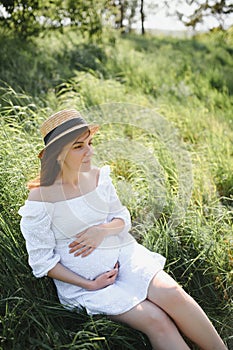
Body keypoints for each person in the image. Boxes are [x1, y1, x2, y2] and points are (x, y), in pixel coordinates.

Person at [18, 109, 227, 350]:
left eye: (90, 143)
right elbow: (42, 262)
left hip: (123, 255)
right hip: (87, 285)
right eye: (79, 147)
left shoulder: (98, 177)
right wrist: (89, 284)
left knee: (172, 294)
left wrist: (103, 230)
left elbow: (122, 218)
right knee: (157, 320)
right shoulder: (41, 200)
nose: (90, 151)